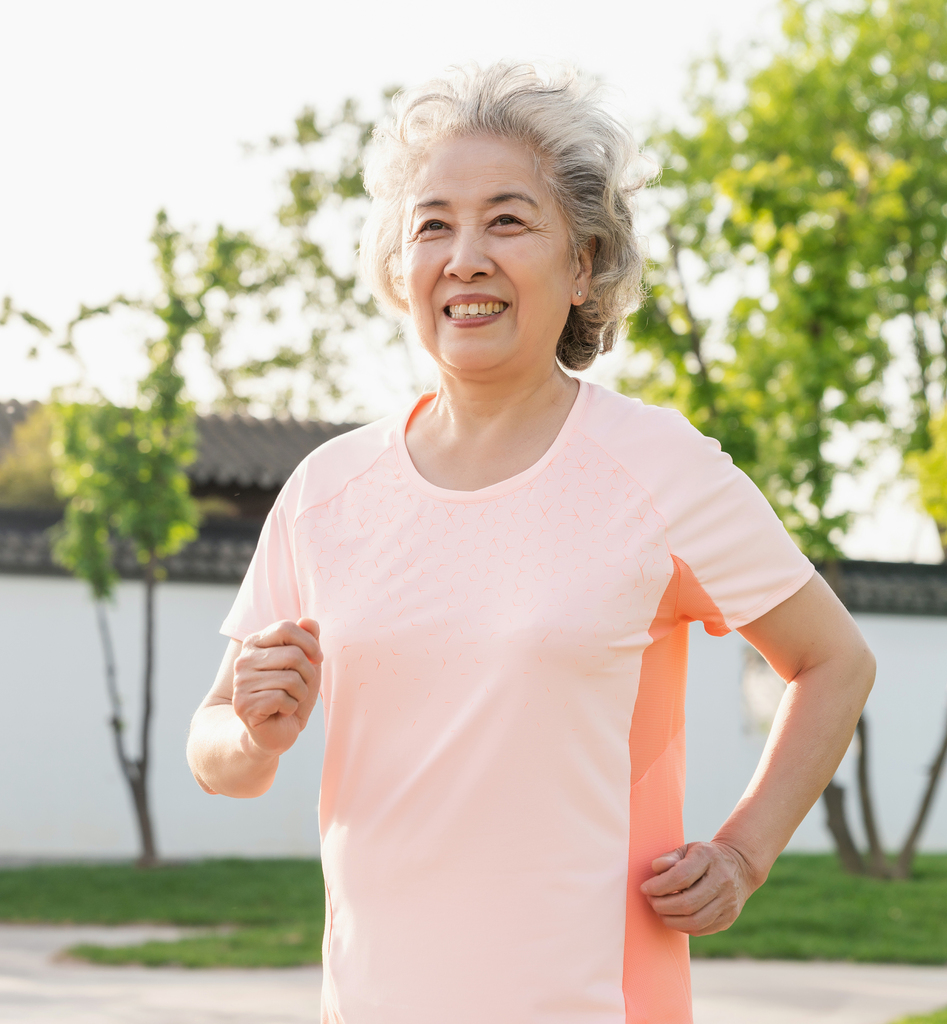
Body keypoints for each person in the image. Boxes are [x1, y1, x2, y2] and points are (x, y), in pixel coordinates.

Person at [186, 61, 875, 1024]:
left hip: (590, 999)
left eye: (507, 220)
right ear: (401, 267)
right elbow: (218, 752)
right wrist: (254, 730)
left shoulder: (659, 467)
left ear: (583, 263)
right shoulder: (325, 491)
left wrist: (743, 852)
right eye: (432, 225)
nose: (465, 256)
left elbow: (833, 659)